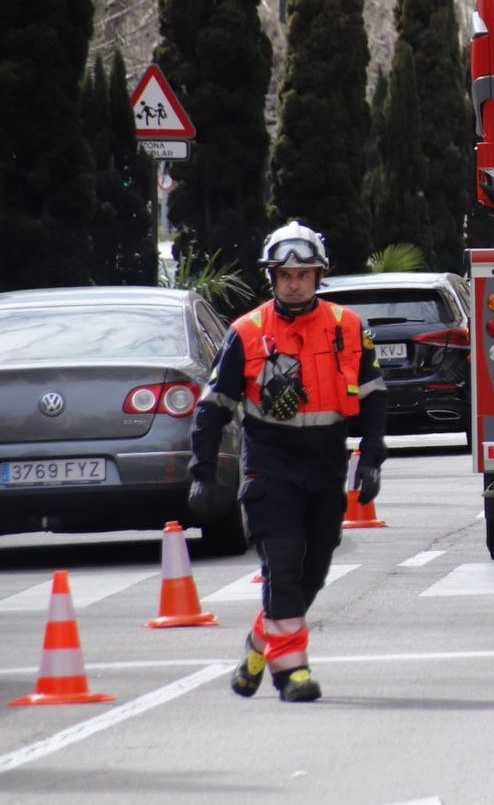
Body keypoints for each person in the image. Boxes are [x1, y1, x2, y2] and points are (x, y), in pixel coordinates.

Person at [187, 221, 387, 702]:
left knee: (314, 567)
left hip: (325, 465)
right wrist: (203, 469)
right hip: (269, 465)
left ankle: (261, 644)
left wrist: (375, 456)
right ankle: (292, 670)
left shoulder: (349, 326)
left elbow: (376, 396)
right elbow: (213, 406)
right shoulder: (246, 332)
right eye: (285, 274)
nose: (294, 282)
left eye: (304, 273)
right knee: (282, 563)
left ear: (319, 276)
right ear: (271, 277)